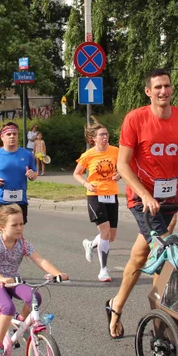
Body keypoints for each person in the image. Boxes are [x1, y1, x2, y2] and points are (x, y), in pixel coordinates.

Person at [106, 69, 178, 339]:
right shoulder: (135, 118)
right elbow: (122, 165)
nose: (164, 91)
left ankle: (116, 305)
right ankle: (166, 324)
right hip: (142, 199)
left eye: (167, 86)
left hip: (170, 198)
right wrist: (145, 195)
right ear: (148, 91)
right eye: (158, 87)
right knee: (166, 254)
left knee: (139, 256)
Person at [0, 204, 67, 356]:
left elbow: (40, 260)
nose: (20, 228)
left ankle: (21, 322)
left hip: (13, 280)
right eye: (14, 225)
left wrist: (58, 273)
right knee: (8, 307)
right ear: (2, 227)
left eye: (21, 224)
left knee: (35, 297)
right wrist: (0, 278)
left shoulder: (23, 243)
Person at [74, 121, 120, 282]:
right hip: (95, 195)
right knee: (105, 232)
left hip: (112, 195)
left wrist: (119, 175)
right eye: (101, 134)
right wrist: (86, 183)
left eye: (106, 134)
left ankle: (90, 244)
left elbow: (123, 167)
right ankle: (103, 270)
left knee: (111, 236)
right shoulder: (88, 155)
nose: (105, 137)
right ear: (93, 138)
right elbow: (77, 173)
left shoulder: (116, 151)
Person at [0, 122, 38, 223]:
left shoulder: (27, 154)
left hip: (20, 199)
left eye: (14, 134)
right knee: (7, 227)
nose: (12, 136)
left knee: (18, 229)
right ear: (2, 137)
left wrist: (32, 175)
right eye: (8, 134)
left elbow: (34, 175)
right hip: (0, 199)